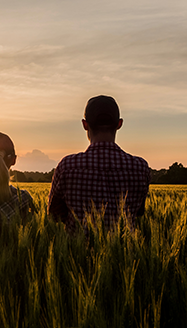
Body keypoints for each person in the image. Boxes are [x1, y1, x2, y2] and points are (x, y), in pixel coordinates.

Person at [48, 95, 151, 229]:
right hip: (123, 248)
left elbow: (54, 215)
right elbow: (139, 212)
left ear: (85, 125)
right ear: (119, 124)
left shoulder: (67, 166)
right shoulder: (140, 168)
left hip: (77, 249)